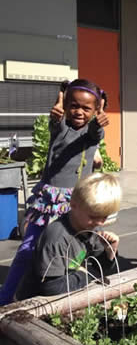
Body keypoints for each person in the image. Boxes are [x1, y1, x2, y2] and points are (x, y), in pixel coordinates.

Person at [0, 79, 109, 305]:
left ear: (95, 110)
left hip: (79, 202)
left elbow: (96, 135)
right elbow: (57, 125)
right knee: (29, 248)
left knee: (84, 245)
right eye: (74, 105)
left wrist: (99, 122)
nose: (79, 111)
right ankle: (8, 296)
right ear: (65, 105)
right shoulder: (60, 127)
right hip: (50, 201)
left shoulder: (91, 132)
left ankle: (77, 289)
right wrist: (56, 115)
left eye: (86, 108)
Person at [16, 173, 121, 300]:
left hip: (68, 296)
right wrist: (86, 274)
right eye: (93, 217)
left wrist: (110, 250)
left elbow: (100, 267)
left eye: (104, 217)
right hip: (35, 303)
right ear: (73, 205)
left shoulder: (92, 228)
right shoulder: (56, 238)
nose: (99, 223)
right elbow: (51, 288)